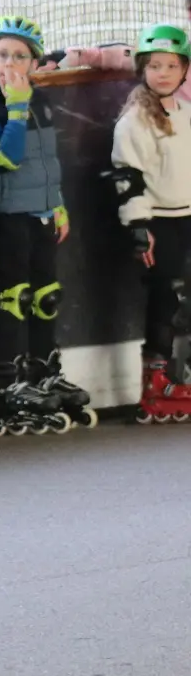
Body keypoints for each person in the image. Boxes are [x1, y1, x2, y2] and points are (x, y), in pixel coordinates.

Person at [0, 16, 90, 433]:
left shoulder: (40, 102)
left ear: (35, 64)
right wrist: (15, 107)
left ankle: (44, 373)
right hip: (8, 217)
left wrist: (59, 205)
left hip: (42, 213)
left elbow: (48, 161)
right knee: (15, 297)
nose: (9, 64)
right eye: (1, 55)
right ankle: (10, 382)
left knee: (47, 295)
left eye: (20, 56)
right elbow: (9, 157)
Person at [108, 23, 191, 422]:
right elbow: (128, 177)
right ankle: (156, 381)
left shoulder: (187, 113)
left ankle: (182, 376)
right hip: (159, 221)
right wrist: (139, 228)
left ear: (184, 70)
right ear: (142, 69)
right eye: (155, 66)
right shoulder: (134, 121)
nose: (163, 73)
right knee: (166, 297)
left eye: (172, 66)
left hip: (188, 215)